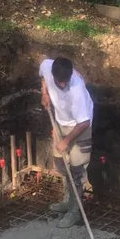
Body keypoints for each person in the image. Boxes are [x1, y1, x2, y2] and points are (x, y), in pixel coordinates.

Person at [39, 57, 94, 228]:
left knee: (76, 172)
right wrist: (44, 93)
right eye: (59, 82)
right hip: (60, 123)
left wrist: (66, 141)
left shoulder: (76, 90)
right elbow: (43, 73)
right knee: (62, 167)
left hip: (80, 128)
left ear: (71, 75)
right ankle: (67, 201)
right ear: (53, 74)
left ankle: (74, 212)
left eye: (65, 81)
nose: (62, 85)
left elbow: (84, 122)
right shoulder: (48, 67)